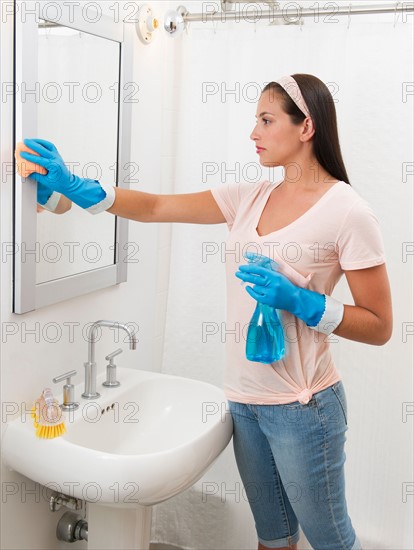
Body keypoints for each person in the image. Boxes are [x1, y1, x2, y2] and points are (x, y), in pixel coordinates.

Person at [18, 74, 393, 550]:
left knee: (332, 542)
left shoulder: (348, 212)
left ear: (306, 127)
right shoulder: (250, 196)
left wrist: (303, 301)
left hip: (305, 408)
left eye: (265, 120)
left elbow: (380, 326)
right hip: (244, 400)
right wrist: (79, 187)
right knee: (273, 539)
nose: (252, 133)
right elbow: (155, 207)